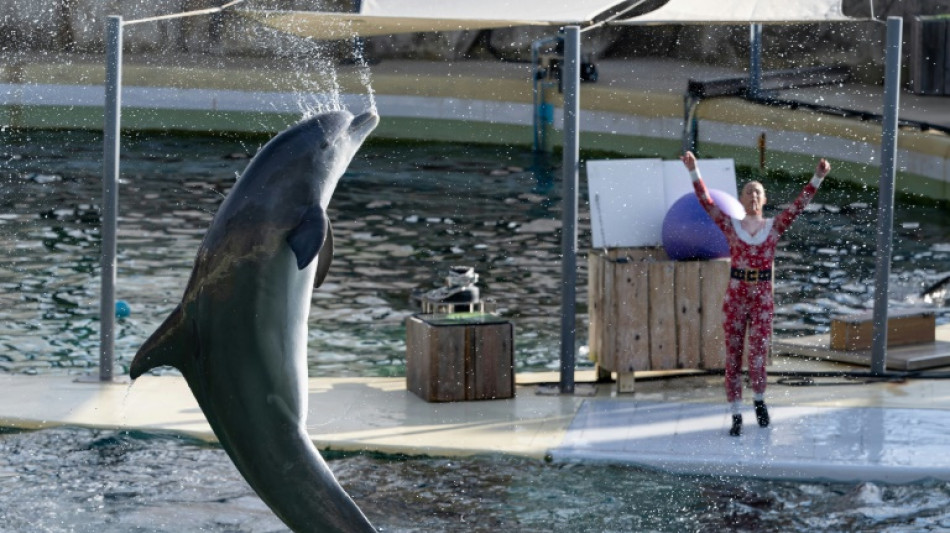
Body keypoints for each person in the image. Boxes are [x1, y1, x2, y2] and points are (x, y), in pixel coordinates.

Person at [679, 151, 831, 436]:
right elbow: (706, 201)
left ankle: (759, 401)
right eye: (748, 192)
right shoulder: (730, 225)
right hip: (736, 295)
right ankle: (736, 412)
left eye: (758, 193)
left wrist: (818, 177)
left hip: (761, 296)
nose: (753, 196)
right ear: (741, 198)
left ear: (765, 200)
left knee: (758, 352)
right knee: (733, 354)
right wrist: (693, 170)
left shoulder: (774, 226)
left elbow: (799, 205)